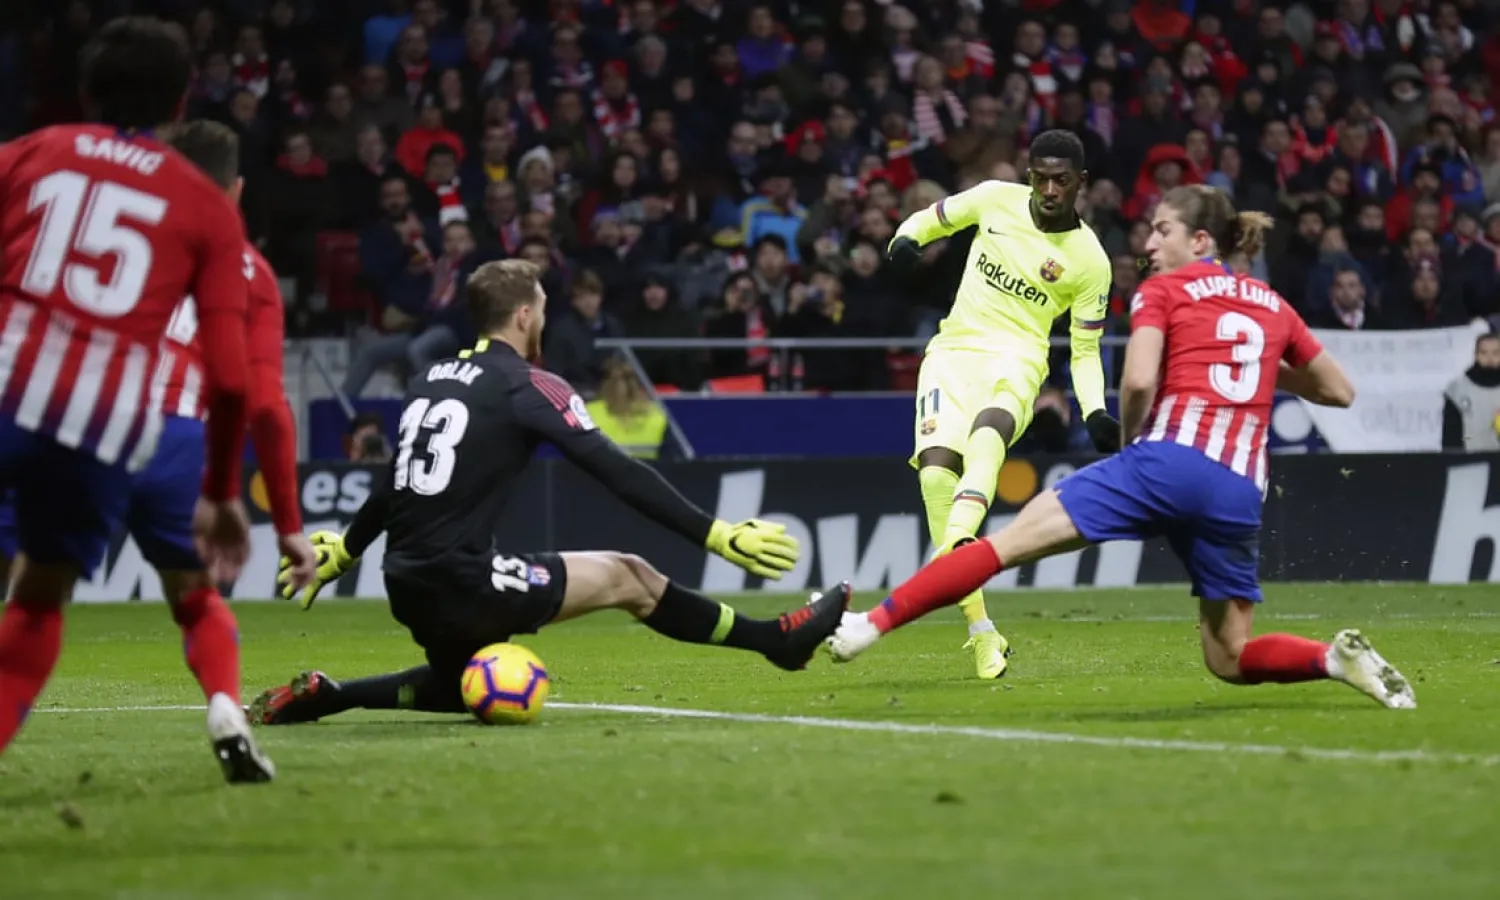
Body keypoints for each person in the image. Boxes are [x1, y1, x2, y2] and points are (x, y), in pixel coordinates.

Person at [829, 185, 1417, 711]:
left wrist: (1131, 444)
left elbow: (1136, 381)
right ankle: (1332, 660)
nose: (1149, 243)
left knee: (999, 546)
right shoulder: (1269, 303)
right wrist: (1266, 364)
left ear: (1200, 240)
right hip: (1239, 488)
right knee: (1229, 656)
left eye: (1163, 230)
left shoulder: (1163, 289)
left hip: (1165, 463)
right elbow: (1339, 391)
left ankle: (867, 626)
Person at [250, 260, 849, 725]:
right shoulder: (530, 384)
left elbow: (393, 484)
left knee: (461, 687)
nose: (543, 320)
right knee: (629, 576)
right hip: (464, 579)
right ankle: (776, 641)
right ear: (522, 316)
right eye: (540, 309)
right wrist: (715, 533)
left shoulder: (428, 380)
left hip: (405, 581)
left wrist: (347, 551)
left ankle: (332, 695)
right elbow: (615, 469)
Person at [0, 120, 320, 782]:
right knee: (194, 595)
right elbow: (263, 403)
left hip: (83, 415)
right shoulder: (249, 268)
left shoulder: (113, 218)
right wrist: (286, 522)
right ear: (236, 188)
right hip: (177, 436)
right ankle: (226, 706)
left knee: (32, 586)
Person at [885, 129, 1120, 680]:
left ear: (1081, 183)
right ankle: (982, 631)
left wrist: (1094, 411)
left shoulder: (1091, 261)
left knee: (988, 435)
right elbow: (933, 218)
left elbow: (1085, 351)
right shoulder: (994, 198)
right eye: (1041, 177)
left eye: (1062, 180)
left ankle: (957, 544)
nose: (1050, 190)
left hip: (1018, 359)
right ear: (1029, 174)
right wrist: (904, 239)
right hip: (952, 352)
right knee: (935, 475)